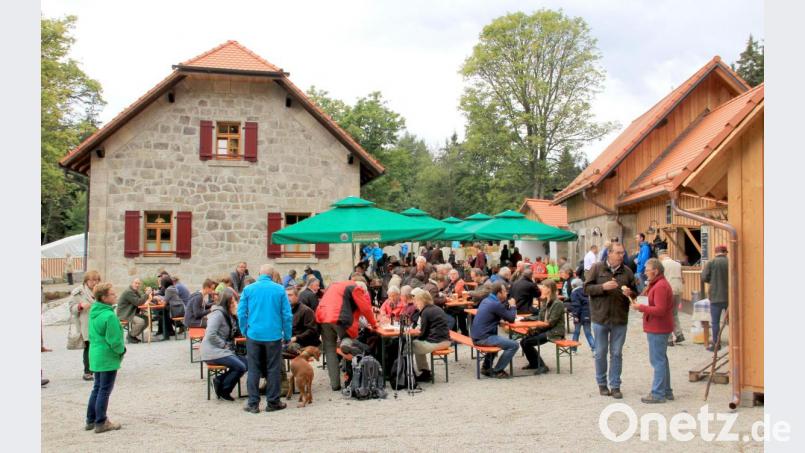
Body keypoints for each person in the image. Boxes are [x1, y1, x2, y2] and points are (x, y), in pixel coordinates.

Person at [584, 242, 638, 399]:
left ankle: (615, 385)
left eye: (622, 253)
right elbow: (586, 289)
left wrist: (631, 292)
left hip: (620, 318)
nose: (622, 255)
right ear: (609, 253)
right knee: (600, 352)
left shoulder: (627, 272)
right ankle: (602, 384)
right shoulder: (596, 268)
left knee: (616, 353)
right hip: (600, 318)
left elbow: (635, 293)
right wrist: (602, 287)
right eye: (618, 253)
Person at [238, 264, 293, 413]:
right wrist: (287, 335)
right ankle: (273, 402)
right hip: (273, 335)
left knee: (254, 369)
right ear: (272, 274)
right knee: (273, 369)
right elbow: (287, 315)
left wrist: (244, 330)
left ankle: (253, 403)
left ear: (259, 274)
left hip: (254, 334)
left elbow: (241, 313)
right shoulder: (279, 289)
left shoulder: (248, 289)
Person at [315, 278, 378, 391]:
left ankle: (335, 385)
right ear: (362, 289)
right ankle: (346, 344)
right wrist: (374, 324)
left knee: (330, 350)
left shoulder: (334, 285)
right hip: (339, 318)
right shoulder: (355, 288)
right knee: (347, 337)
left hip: (323, 317)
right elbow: (365, 308)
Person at [630, 258, 675, 404]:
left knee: (658, 361)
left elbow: (660, 310)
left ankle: (658, 393)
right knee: (662, 359)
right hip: (659, 326)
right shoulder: (657, 284)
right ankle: (666, 390)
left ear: (655, 271)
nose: (645, 272)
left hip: (658, 327)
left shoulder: (660, 286)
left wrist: (640, 308)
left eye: (647, 269)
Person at [85, 282, 125, 433]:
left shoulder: (94, 312)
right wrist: (121, 351)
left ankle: (91, 419)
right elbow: (114, 340)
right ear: (104, 297)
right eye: (112, 294)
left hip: (95, 354)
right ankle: (101, 421)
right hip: (107, 356)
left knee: (97, 388)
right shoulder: (109, 315)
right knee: (104, 390)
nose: (115, 296)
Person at [201, 288, 248, 401]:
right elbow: (210, 334)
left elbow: (237, 332)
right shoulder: (218, 314)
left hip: (223, 350)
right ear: (226, 302)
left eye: (235, 302)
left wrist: (238, 317)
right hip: (213, 351)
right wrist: (224, 345)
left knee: (248, 363)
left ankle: (219, 380)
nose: (235, 304)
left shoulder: (230, 314)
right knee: (240, 367)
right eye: (232, 302)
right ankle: (224, 390)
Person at [471, 282, 519, 378]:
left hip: (477, 336)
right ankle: (498, 370)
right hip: (484, 338)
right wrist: (513, 306)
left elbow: (491, 317)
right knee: (514, 345)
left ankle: (486, 367)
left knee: (497, 338)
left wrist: (497, 321)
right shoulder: (495, 304)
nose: (507, 294)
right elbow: (511, 318)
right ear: (499, 293)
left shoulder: (486, 300)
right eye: (505, 291)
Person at [520, 279, 565, 374]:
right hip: (545, 329)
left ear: (549, 289)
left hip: (554, 331)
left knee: (528, 342)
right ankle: (533, 363)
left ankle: (542, 366)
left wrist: (536, 327)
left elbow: (550, 323)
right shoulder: (545, 301)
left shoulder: (558, 303)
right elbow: (540, 318)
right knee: (523, 341)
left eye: (544, 287)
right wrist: (528, 319)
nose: (541, 288)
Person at [410, 290, 451, 382]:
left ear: (422, 301)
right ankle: (424, 371)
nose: (415, 304)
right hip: (445, 340)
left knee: (411, 345)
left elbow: (423, 333)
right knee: (417, 343)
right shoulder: (435, 308)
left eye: (416, 301)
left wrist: (412, 335)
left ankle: (415, 372)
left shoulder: (425, 312)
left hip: (438, 342)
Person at [70, 270, 101, 381]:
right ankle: (87, 372)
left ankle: (99, 369)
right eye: (92, 280)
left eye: (97, 280)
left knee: (100, 347)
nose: (95, 282)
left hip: (100, 323)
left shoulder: (101, 290)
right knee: (89, 347)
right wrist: (80, 306)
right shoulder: (78, 292)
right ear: (86, 280)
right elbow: (71, 309)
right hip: (86, 324)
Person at [702, 245, 729, 351]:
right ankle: (735, 343)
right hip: (730, 297)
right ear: (725, 252)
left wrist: (713, 281)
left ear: (716, 252)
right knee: (733, 322)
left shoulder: (711, 263)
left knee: (715, 322)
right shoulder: (730, 262)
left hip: (715, 296)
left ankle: (716, 344)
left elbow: (704, 277)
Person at [658, 250, 685, 345]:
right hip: (678, 290)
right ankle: (679, 334)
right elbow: (683, 279)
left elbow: (658, 279)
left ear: (660, 256)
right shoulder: (678, 264)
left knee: (666, 314)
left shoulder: (661, 265)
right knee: (674, 314)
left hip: (668, 291)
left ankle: (669, 339)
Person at [116, 278, 150, 344]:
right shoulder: (129, 292)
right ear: (132, 283)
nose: (137, 285)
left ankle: (133, 335)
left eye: (138, 283)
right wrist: (146, 294)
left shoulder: (135, 291)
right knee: (141, 322)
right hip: (125, 314)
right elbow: (138, 302)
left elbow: (141, 300)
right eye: (135, 283)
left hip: (131, 313)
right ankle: (130, 336)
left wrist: (152, 301)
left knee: (147, 319)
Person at [569, 278, 595, 352]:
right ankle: (594, 349)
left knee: (576, 332)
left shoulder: (574, 293)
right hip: (587, 314)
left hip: (579, 315)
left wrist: (575, 315)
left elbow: (576, 305)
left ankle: (573, 349)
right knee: (588, 333)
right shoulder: (586, 291)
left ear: (573, 285)